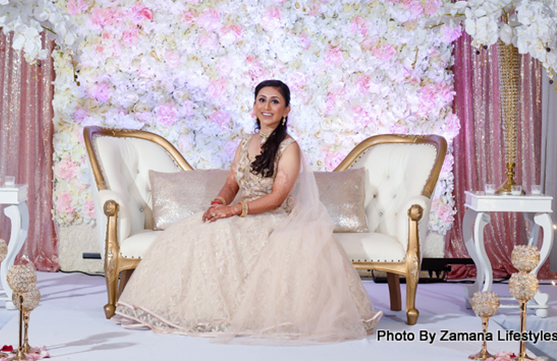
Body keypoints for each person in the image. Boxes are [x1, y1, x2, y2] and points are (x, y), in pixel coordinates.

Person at [115, 80, 382, 342]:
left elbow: (277, 198)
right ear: (254, 105)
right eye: (262, 100)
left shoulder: (289, 147)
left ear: (286, 110)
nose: (267, 106)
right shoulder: (245, 142)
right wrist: (219, 203)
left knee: (227, 233)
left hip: (274, 217)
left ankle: (244, 315)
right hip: (241, 211)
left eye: (275, 101)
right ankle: (199, 311)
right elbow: (232, 182)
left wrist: (233, 211)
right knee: (195, 230)